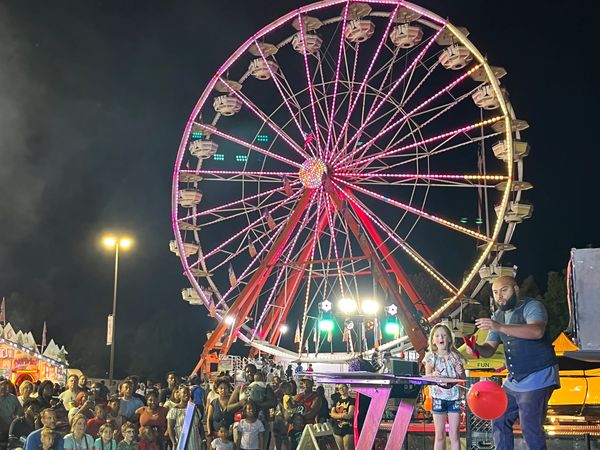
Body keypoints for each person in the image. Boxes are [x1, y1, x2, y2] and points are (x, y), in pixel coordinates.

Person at [471, 275, 559, 450]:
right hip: (515, 380)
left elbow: (537, 331)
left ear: (516, 290)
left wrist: (500, 327)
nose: (499, 296)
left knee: (530, 428)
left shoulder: (532, 306)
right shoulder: (498, 315)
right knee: (498, 416)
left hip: (538, 374)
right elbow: (489, 349)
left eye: (504, 290)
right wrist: (476, 348)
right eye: (495, 292)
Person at [424, 324, 466, 450]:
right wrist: (432, 375)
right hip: (438, 398)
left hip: (455, 398)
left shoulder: (456, 356)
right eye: (437, 335)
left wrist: (460, 372)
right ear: (433, 340)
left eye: (443, 335)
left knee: (454, 435)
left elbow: (463, 378)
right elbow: (426, 378)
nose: (440, 338)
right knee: (440, 435)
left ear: (449, 339)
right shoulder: (431, 357)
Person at [330, 384, 354, 450]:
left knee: (347, 448)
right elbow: (332, 414)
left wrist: (337, 415)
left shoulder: (352, 400)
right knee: (339, 448)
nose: (341, 389)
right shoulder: (336, 400)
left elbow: (350, 415)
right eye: (339, 388)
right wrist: (342, 415)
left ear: (347, 388)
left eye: (343, 387)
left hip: (348, 428)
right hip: (337, 428)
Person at [0, 377, 24, 443]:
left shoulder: (13, 398)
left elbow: (21, 413)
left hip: (12, 431)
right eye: (1, 385)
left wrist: (17, 416)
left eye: (5, 385)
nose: (3, 387)